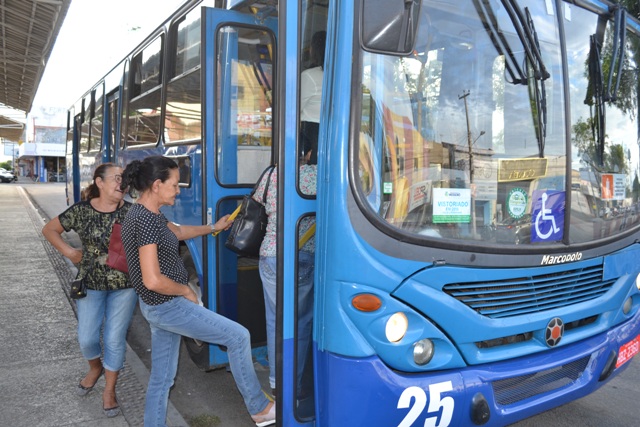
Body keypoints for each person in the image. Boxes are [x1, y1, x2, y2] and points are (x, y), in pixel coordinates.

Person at [119, 155, 275, 427]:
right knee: (238, 337)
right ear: (157, 185)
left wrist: (213, 227)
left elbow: (176, 232)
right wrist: (186, 292)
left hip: (158, 307)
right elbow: (153, 279)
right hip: (168, 305)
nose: (178, 191)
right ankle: (259, 408)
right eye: (175, 185)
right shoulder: (143, 221)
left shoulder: (149, 214)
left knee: (162, 378)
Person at [42, 163, 137, 418]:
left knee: (115, 340)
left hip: (125, 286)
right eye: (116, 178)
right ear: (100, 182)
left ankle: (109, 390)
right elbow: (49, 229)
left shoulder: (132, 212)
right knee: (87, 338)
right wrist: (70, 253)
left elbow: (171, 229)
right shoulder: (81, 211)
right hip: (90, 284)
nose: (122, 183)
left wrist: (211, 227)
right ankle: (94, 368)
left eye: (124, 179)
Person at [254, 137, 318, 397]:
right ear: (310, 152)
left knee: (275, 320)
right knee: (300, 322)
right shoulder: (316, 174)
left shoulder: (271, 174)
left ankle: (275, 381)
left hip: (269, 254)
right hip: (301, 254)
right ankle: (295, 382)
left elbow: (258, 203)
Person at [299, 30, 326, 155]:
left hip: (311, 135)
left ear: (314, 50)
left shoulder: (309, 76)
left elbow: (294, 109)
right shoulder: (340, 76)